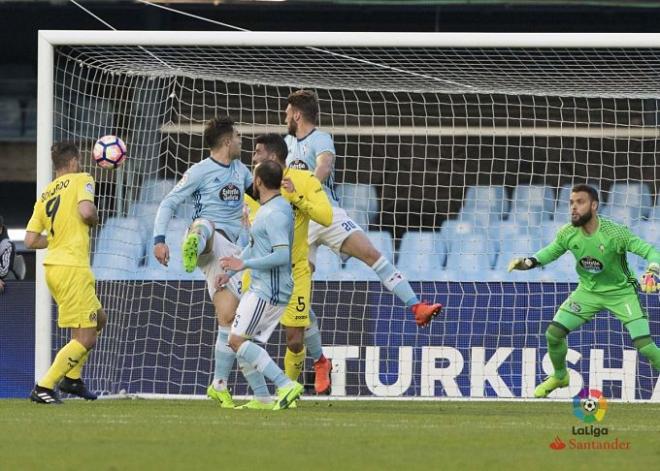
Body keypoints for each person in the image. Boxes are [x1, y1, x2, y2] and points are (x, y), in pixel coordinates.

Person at [284, 90, 444, 393]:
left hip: (325, 211)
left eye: (287, 112)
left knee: (371, 253)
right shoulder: (286, 144)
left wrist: (305, 191)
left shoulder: (321, 139)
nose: (284, 116)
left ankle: (416, 307)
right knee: (298, 300)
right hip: (298, 225)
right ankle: (320, 361)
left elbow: (324, 167)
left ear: (297, 114)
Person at [508, 183, 660, 398]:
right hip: (587, 292)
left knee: (645, 346)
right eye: (571, 202)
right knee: (553, 334)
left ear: (594, 205)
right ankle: (561, 376)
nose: (573, 207)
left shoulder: (615, 233)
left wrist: (652, 271)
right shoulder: (568, 233)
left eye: (580, 202)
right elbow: (550, 252)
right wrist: (528, 262)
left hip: (621, 293)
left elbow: (651, 251)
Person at [152, 116, 252, 408]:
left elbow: (259, 192)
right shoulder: (200, 171)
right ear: (226, 141)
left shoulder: (240, 170)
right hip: (208, 237)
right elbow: (169, 201)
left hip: (228, 254)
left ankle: (219, 384)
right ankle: (193, 241)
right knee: (205, 224)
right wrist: (159, 239)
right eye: (237, 136)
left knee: (229, 318)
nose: (241, 140)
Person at [239, 133, 332, 405]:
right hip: (258, 271)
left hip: (293, 272)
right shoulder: (252, 185)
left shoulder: (304, 180)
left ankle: (288, 395)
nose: (253, 157)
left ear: (272, 156)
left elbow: (325, 217)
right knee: (243, 337)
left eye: (257, 153)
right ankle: (263, 396)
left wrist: (296, 199)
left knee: (294, 339)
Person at [216, 160, 303, 410]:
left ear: (259, 182)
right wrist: (233, 267)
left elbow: (280, 255)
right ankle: (263, 398)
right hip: (262, 286)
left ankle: (286, 385)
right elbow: (257, 245)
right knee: (244, 343)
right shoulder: (269, 208)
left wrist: (243, 265)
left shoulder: (275, 213)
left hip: (270, 289)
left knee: (236, 341)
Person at [25, 142, 107, 404]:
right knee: (85, 336)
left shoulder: (46, 193)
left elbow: (30, 240)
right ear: (73, 162)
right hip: (73, 267)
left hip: (54, 267)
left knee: (99, 319)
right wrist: (94, 219)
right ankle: (44, 386)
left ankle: (72, 379)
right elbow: (86, 212)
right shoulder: (82, 178)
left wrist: (57, 240)